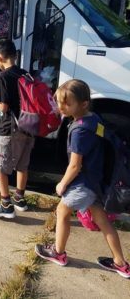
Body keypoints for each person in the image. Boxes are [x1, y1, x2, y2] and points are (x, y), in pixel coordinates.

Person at [35, 79, 130, 278]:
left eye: (66, 103)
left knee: (62, 211)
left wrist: (62, 184)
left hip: (83, 183)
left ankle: (58, 253)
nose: (61, 107)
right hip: (95, 181)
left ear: (84, 104)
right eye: (60, 102)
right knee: (103, 221)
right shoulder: (94, 119)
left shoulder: (79, 131)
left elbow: (75, 165)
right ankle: (121, 264)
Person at [0, 39, 35, 218]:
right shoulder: (26, 74)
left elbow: (4, 107)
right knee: (22, 164)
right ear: (15, 55)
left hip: (11, 128)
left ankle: (6, 205)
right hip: (29, 126)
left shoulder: (3, 77)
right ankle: (19, 199)